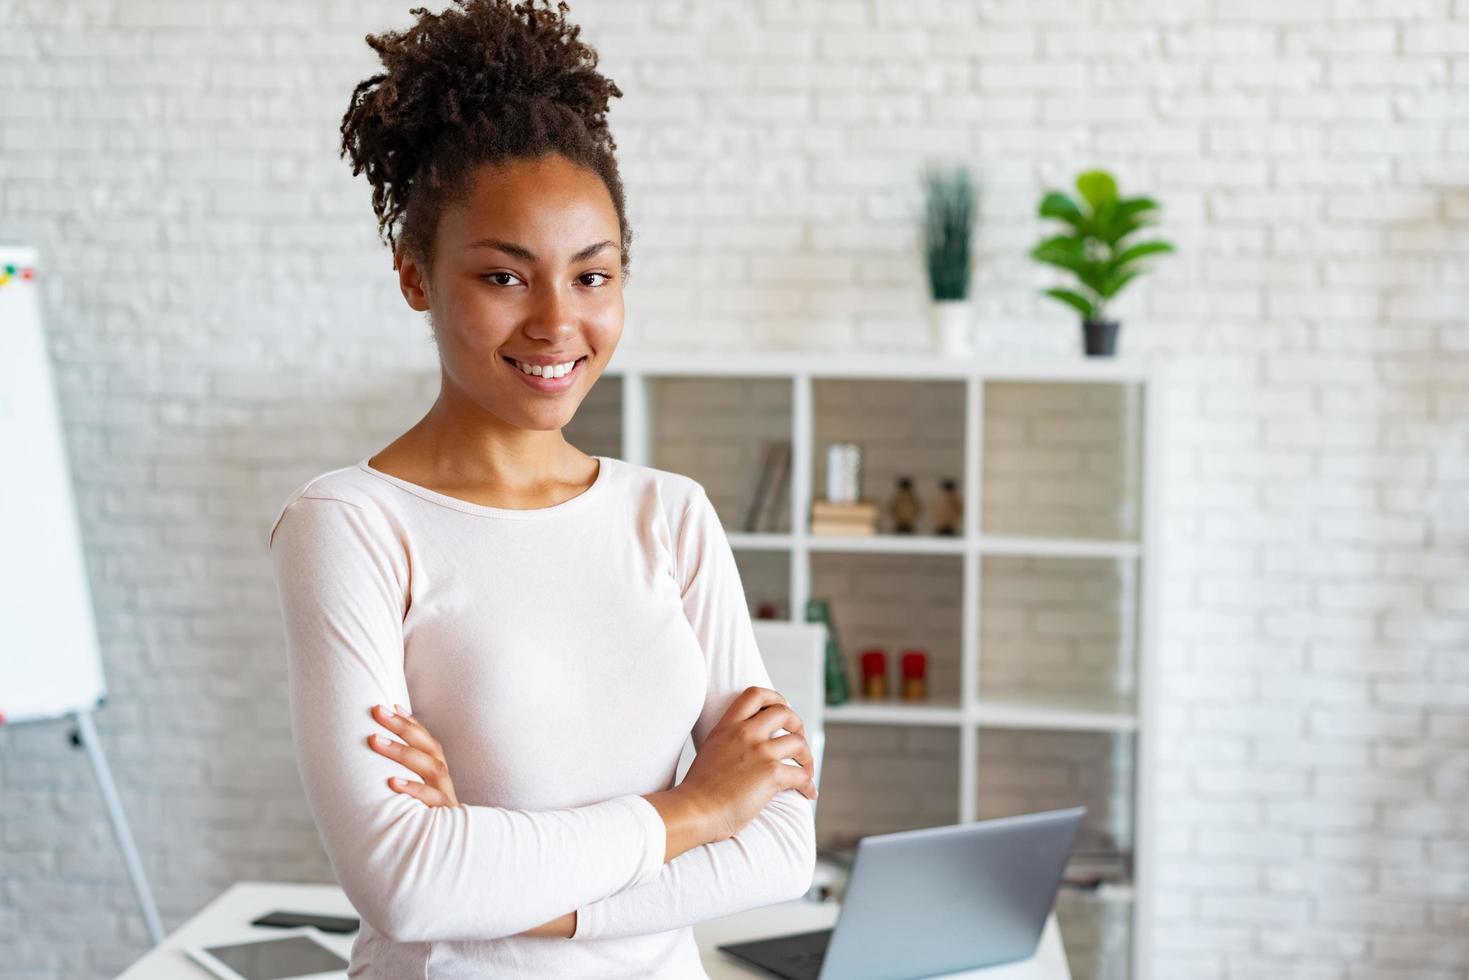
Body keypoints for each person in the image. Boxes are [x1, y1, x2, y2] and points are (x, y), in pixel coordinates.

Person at [265, 1, 819, 976]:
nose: (558, 322)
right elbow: (405, 880)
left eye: (593, 276)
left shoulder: (670, 514)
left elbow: (778, 845)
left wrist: (513, 888)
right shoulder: (351, 523)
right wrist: (694, 810)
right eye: (504, 277)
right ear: (415, 276)